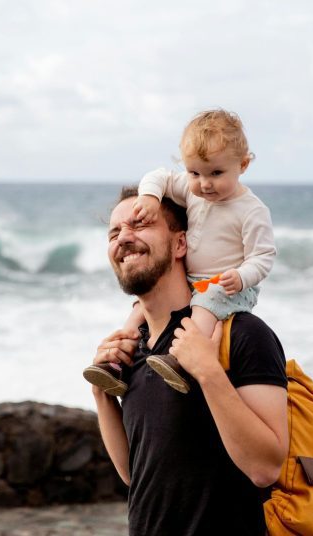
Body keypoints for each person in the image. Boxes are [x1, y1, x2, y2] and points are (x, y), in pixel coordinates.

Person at [90, 186, 288, 535]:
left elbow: (265, 467)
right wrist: (102, 395)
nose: (124, 238)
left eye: (139, 224)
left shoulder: (240, 334)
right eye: (114, 232)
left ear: (181, 244)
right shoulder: (134, 349)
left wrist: (208, 372)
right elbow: (135, 475)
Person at [84, 109, 276, 395]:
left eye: (216, 173)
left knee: (205, 303)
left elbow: (263, 256)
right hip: (195, 280)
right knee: (140, 309)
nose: (204, 183)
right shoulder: (192, 190)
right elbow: (157, 177)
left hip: (229, 285)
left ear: (243, 165)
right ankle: (117, 364)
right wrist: (149, 198)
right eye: (194, 172)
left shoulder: (251, 210)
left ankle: (180, 361)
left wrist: (242, 276)